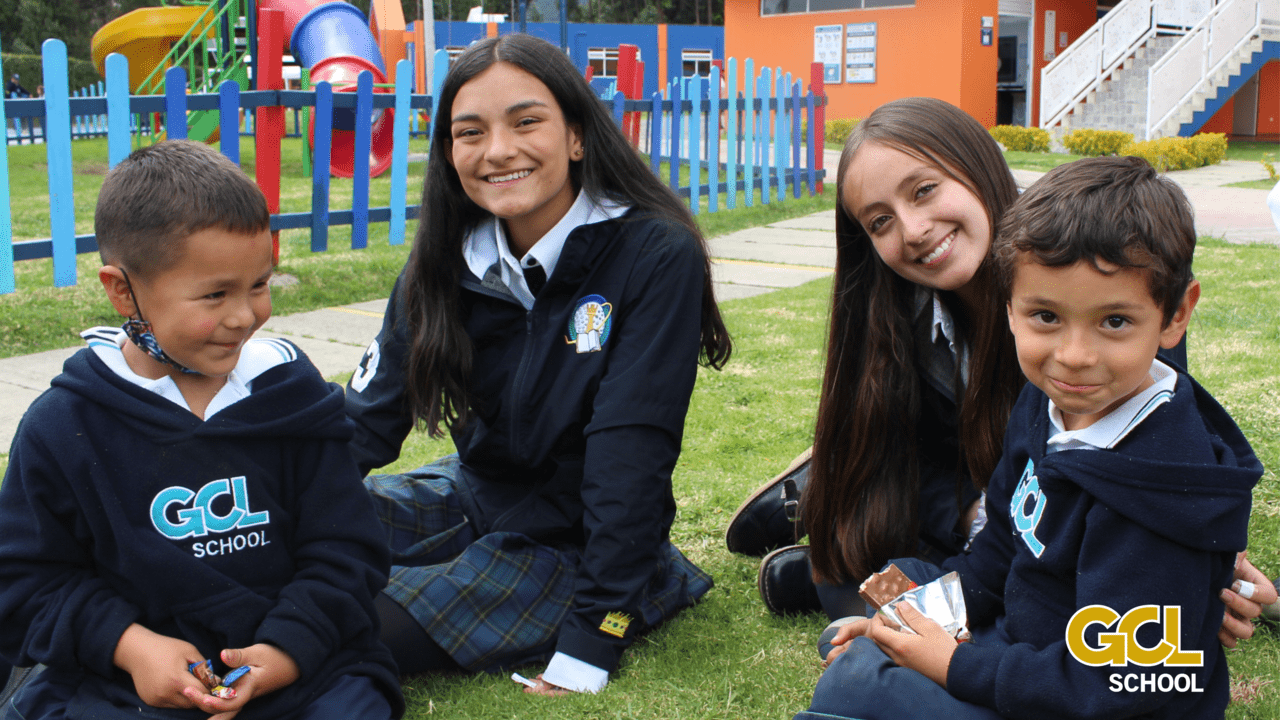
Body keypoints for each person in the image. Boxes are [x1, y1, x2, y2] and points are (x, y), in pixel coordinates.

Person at [724, 97, 1276, 639]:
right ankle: (824, 502)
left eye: (924, 190)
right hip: (974, 500)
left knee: (1041, 610)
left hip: (1049, 517)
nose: (913, 229)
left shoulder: (1102, 267)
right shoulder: (893, 313)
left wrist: (1199, 570)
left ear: (976, 163)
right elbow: (903, 463)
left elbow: (1162, 460)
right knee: (852, 590)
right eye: (880, 221)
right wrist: (971, 512)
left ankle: (818, 503)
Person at [799, 155, 1262, 720]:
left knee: (857, 684)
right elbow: (1001, 549)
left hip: (1083, 698)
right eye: (1045, 316)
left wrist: (951, 665)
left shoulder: (1154, 492)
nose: (1073, 355)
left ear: (1174, 316)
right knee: (888, 605)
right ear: (1010, 306)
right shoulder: (1046, 400)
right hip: (1027, 641)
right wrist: (911, 620)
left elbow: (1112, 690)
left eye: (1114, 321)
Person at [344, 34, 732, 695]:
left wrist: (592, 639)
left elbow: (628, 459)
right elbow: (365, 422)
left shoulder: (653, 254)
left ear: (577, 136)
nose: (498, 150)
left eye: (526, 122)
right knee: (288, 537)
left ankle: (646, 585)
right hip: (470, 496)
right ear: (449, 151)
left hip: (576, 542)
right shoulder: (442, 261)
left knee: (357, 618)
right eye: (471, 132)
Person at [0, 140, 403, 720]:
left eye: (259, 285)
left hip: (304, 674)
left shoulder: (291, 395)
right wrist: (132, 648)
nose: (244, 316)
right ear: (122, 290)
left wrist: (285, 651)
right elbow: (26, 585)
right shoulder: (62, 428)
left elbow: (347, 550)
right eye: (215, 294)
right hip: (126, 689)